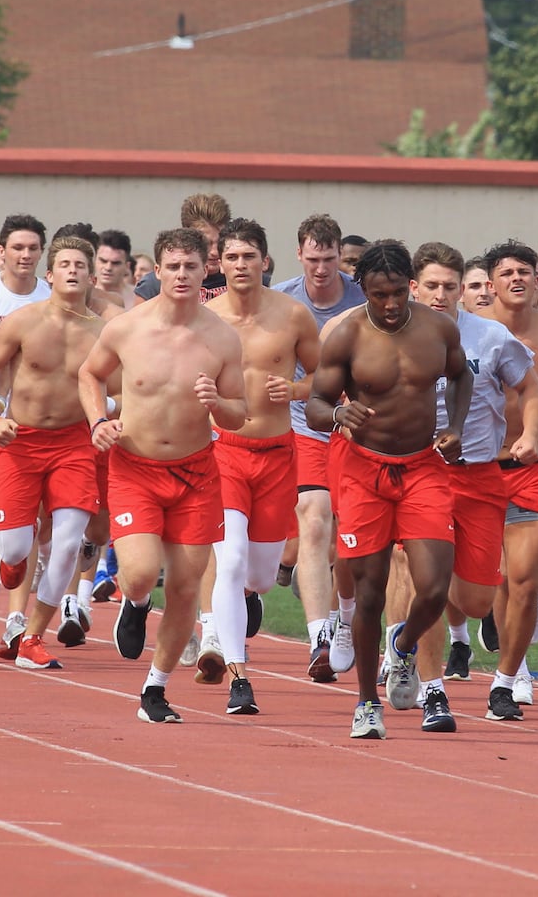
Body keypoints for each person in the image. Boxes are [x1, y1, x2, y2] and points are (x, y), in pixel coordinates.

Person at [80, 227, 247, 724]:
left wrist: (219, 403)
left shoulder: (221, 337)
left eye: (191, 267)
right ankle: (134, 600)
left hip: (196, 474)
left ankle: (155, 688)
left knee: (186, 585)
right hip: (135, 467)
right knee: (139, 571)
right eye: (172, 267)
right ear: (156, 269)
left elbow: (240, 412)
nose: (181, 275)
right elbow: (90, 375)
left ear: (204, 271)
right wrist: (97, 423)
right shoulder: (127, 328)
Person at [306, 240, 472, 740]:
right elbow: (314, 403)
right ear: (365, 290)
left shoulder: (439, 328)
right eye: (381, 294)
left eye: (399, 292)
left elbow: (461, 377)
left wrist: (456, 425)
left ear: (411, 286)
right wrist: (337, 414)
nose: (392, 304)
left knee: (435, 588)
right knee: (370, 592)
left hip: (423, 467)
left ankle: (402, 646)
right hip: (364, 471)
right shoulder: (346, 335)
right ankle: (365, 702)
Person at [406, 242, 538, 725]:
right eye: (432, 286)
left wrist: (533, 431)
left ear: (464, 288)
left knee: (476, 598)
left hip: (481, 476)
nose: (440, 295)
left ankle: (434, 636)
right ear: (414, 287)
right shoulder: (393, 333)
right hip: (420, 474)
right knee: (431, 585)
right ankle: (432, 689)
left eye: (450, 286)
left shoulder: (491, 336)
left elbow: (529, 385)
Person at [0, 237, 111, 671]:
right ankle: (10, 564)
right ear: (49, 275)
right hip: (19, 442)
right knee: (14, 550)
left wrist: (105, 416)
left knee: (68, 545)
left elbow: (123, 389)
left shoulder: (105, 333)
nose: (72, 270)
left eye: (80, 265)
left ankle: (31, 638)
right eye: (64, 264)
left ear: (90, 276)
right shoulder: (21, 321)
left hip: (73, 444)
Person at [203, 219, 321, 714]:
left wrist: (293, 389)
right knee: (227, 562)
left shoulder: (293, 316)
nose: (240, 265)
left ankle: (248, 599)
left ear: (265, 261)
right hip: (223, 452)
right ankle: (238, 673)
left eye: (249, 256)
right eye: (231, 257)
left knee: (259, 576)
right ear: (221, 263)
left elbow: (324, 377)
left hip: (277, 455)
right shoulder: (204, 319)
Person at [273, 213, 367, 681]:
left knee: (347, 538)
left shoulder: (364, 299)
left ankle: (341, 617)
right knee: (313, 515)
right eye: (313, 259)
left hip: (357, 429)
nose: (322, 268)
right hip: (305, 426)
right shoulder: (285, 301)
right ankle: (319, 638)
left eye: (329, 259)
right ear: (299, 255)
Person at [480, 241, 538, 719]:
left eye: (525, 271)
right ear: (490, 283)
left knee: (525, 578)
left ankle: (507, 679)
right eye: (506, 272)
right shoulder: (466, 333)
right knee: (481, 584)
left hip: (529, 472)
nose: (517, 279)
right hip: (474, 471)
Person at [135, 193, 230, 301]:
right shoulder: (154, 284)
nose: (215, 252)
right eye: (206, 243)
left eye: (221, 242)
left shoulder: (238, 279)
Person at [95, 229, 138, 309]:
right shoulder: (83, 296)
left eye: (115, 263)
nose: (108, 268)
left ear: (127, 266)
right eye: (103, 261)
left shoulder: (138, 297)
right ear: (94, 261)